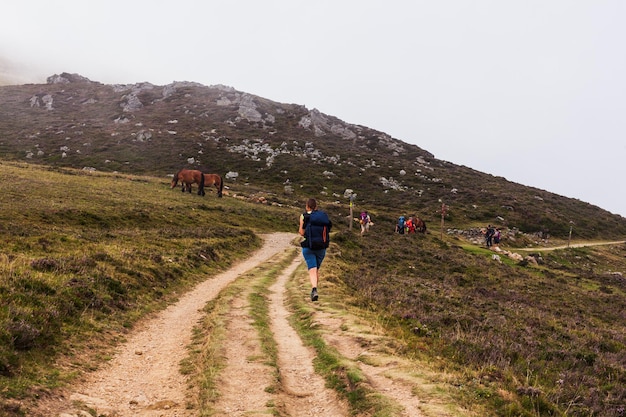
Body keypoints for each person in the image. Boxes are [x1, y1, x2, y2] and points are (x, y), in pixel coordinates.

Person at [299, 198, 332, 301]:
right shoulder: (323, 216)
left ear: (307, 206)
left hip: (309, 247)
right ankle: (315, 289)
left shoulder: (304, 216)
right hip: (322, 247)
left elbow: (301, 232)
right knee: (316, 269)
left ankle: (314, 289)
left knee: (312, 269)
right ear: (316, 206)